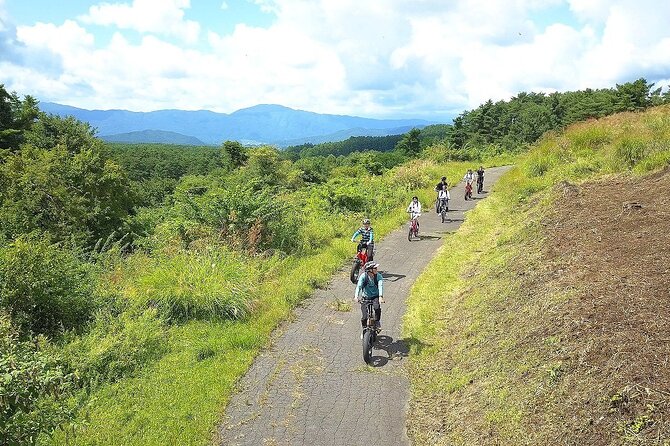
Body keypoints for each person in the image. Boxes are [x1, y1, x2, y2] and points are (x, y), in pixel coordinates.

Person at [354, 261, 384, 336]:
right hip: (365, 297)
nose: (377, 269)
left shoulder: (378, 276)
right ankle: (364, 329)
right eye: (375, 268)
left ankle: (377, 322)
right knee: (364, 317)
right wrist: (356, 296)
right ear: (370, 270)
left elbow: (380, 286)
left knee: (377, 308)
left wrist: (380, 297)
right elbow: (359, 286)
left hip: (375, 297)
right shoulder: (363, 276)